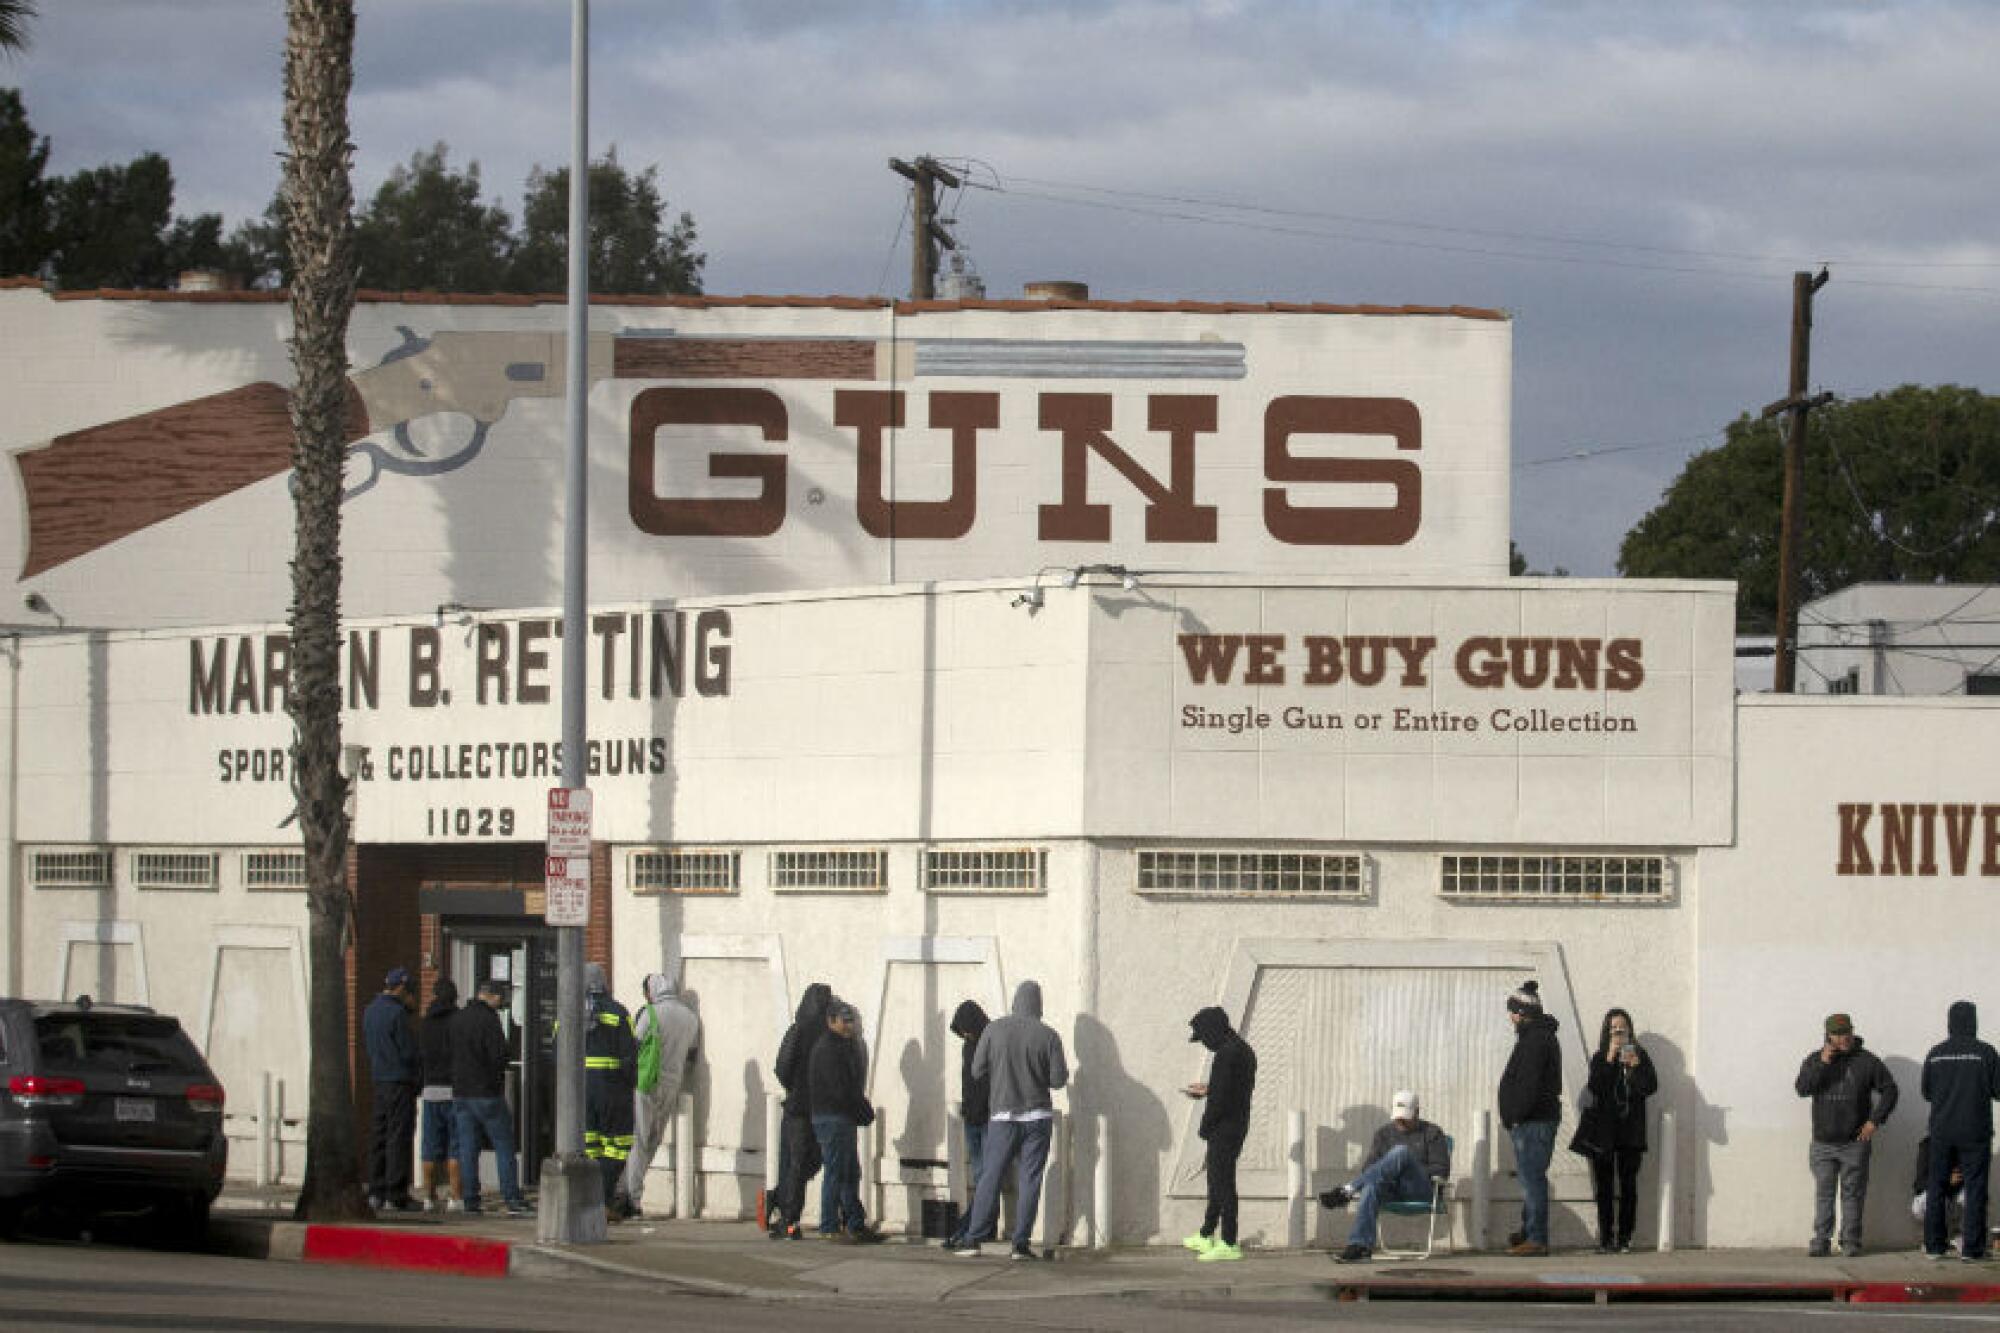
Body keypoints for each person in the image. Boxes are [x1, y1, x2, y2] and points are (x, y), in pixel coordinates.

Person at [951, 980, 1070, 1260]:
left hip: (1002, 1116)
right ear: (1039, 1004)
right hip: (1037, 1116)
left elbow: (977, 1070)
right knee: (1030, 1179)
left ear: (1015, 1002)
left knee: (990, 1176)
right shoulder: (1049, 1036)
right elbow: (1057, 1081)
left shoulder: (993, 1030)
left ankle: (973, 1239)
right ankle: (1020, 1243)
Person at [1795, 1011, 1898, 1257]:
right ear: (1827, 1035)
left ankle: (1851, 1241)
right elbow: (1802, 1089)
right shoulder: (1815, 1059)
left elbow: (1890, 1090)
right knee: (1825, 1192)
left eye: (1847, 1032)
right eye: (1838, 1034)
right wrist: (1822, 1062)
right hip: (1823, 1142)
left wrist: (1875, 1121)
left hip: (1854, 1142)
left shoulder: (1867, 1061)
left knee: (1852, 1194)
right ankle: (1821, 1240)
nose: (1843, 1038)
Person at [1320, 1089, 1451, 1264]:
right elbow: (1368, 1169)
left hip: (1421, 1189)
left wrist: (1405, 1166)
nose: (1400, 1121)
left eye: (1405, 1117)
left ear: (1417, 1112)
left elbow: (1441, 1170)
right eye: (1397, 1116)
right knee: (1370, 1186)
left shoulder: (1432, 1132)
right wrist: (1389, 1171)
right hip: (1391, 1190)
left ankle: (1347, 1190)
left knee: (1401, 1152)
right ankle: (1360, 1247)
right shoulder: (1383, 1134)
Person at [613, 967, 700, 1221]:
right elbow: (692, 1054)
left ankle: (631, 1195)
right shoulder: (690, 1018)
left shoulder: (650, 1014)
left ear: (651, 991)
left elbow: (635, 1045)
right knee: (653, 1139)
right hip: (673, 1083)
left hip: (646, 1081)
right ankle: (630, 1188)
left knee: (638, 1137)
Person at [1920, 1000, 2000, 1261]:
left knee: (1936, 1186)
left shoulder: (1935, 1053)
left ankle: (1934, 1246)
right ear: (1974, 1021)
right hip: (1975, 1130)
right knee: (1976, 1188)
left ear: (1950, 1022)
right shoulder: (1986, 1053)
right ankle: (1972, 1249)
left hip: (1942, 1130)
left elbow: (1927, 1092)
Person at [1574, 1007, 1659, 1253]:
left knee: (1629, 1185)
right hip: (1605, 1132)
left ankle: (1625, 1237)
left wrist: (1635, 1066)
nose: (1618, 1033)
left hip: (1630, 1132)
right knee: (1605, 1186)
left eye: (1622, 1029)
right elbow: (1596, 1087)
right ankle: (1605, 1238)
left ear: (1630, 1031)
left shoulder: (1639, 1056)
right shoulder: (1601, 1057)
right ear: (1607, 1032)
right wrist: (1611, 1056)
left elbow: (1650, 1087)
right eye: (1614, 1029)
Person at [1181, 1006, 1257, 1263]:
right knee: (1216, 1181)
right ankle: (1206, 1233)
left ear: (1212, 1032)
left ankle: (1228, 1241)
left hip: (1224, 1128)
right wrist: (1209, 1089)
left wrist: (1204, 1128)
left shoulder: (1225, 1054)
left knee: (1222, 1183)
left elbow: (1220, 1101)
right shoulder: (1243, 1050)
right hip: (1238, 1123)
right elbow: (1231, 1089)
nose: (1204, 1044)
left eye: (1203, 1038)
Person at [452, 978, 532, 1216]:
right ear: (493, 997)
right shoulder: (489, 1020)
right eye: (502, 998)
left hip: (461, 1092)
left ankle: (470, 1199)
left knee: (467, 1148)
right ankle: (512, 1198)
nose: (503, 1003)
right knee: (504, 1145)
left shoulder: (458, 1018)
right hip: (487, 1093)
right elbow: (499, 1054)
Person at [806, 1000, 881, 1242]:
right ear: (831, 1021)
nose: (849, 1025)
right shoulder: (829, 1049)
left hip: (840, 1117)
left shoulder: (842, 1046)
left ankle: (855, 1223)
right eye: (844, 1020)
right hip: (833, 1117)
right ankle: (829, 1224)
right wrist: (861, 1108)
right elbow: (841, 1089)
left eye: (851, 1020)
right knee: (837, 1172)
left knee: (849, 1172)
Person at [1498, 978, 1562, 1256]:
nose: (1510, 1017)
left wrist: (1515, 1115)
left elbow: (1529, 1084)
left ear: (1521, 1013)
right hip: (1533, 1120)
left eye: (1512, 1012)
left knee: (1532, 1179)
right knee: (1530, 1177)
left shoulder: (1535, 1040)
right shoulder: (1536, 1036)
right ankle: (1528, 1232)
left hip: (1533, 1121)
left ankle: (1536, 1238)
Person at [769, 982, 833, 1240]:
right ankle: (786, 1208)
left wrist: (794, 1086)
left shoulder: (797, 1030)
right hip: (819, 1107)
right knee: (813, 1161)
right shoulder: (828, 1033)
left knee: (795, 1162)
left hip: (797, 1106)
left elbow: (782, 1065)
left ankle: (787, 1214)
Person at [362, 966, 421, 1212]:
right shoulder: (397, 1014)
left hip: (379, 1079)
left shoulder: (370, 1011)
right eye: (411, 992)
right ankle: (396, 1192)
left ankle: (376, 1189)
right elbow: (408, 1051)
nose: (413, 998)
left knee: (379, 1135)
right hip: (399, 1080)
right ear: (401, 989)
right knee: (398, 1137)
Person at [581, 962, 638, 1213]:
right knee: (617, 1145)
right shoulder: (618, 1012)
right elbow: (630, 1055)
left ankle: (590, 1200)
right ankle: (603, 1199)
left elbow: (557, 1053)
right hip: (612, 1089)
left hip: (581, 1093)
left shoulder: (570, 1012)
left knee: (590, 1147)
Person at [942, 1000, 991, 1250]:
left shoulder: (988, 1043)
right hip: (973, 1116)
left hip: (985, 1118)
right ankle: (980, 1223)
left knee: (985, 1176)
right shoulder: (969, 1046)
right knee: (981, 1175)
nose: (966, 1034)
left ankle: (974, 1225)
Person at [417, 976, 461, 1211]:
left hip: (430, 1088)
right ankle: (455, 1196)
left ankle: (428, 1195)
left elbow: (420, 1053)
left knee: (430, 1146)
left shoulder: (425, 1023)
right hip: (453, 1089)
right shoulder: (457, 1021)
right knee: (456, 1145)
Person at [1912, 1137, 1966, 1247]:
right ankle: (1931, 1236)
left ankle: (1959, 1235)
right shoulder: (1927, 1145)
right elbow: (1921, 1181)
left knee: (1973, 1195)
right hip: (1934, 1195)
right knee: (1926, 1201)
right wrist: (1946, 1180)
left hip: (1953, 1196)